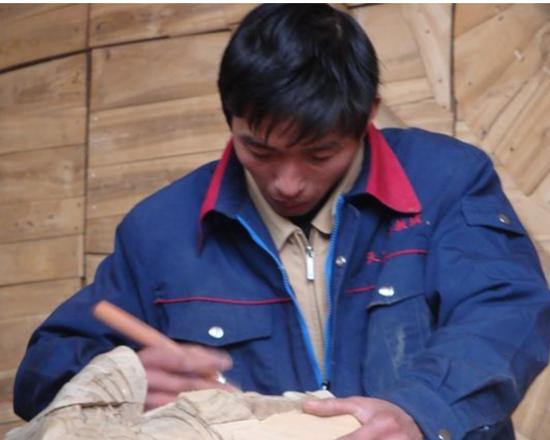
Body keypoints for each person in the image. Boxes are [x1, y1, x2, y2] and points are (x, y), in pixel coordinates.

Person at [13, 5, 550, 440]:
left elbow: (507, 311)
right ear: (229, 117)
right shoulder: (160, 229)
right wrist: (125, 377)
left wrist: (420, 410)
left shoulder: (446, 181)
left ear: (368, 114)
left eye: (319, 154)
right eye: (259, 151)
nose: (287, 183)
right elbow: (46, 368)